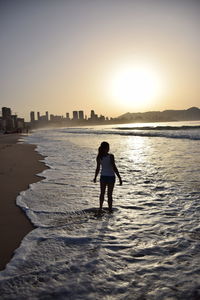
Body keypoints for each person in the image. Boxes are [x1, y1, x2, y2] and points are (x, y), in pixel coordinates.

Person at [93, 141, 122, 213]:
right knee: (108, 194)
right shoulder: (110, 156)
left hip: (103, 176)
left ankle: (101, 208)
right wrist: (119, 177)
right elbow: (114, 167)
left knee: (103, 193)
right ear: (105, 148)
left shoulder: (99, 157)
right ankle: (109, 209)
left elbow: (98, 168)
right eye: (108, 147)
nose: (109, 149)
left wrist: (95, 177)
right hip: (110, 177)